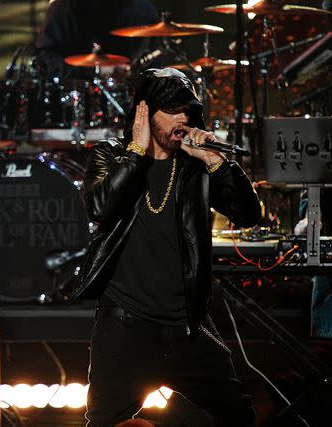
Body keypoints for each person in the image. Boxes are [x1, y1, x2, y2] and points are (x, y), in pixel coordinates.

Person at [65, 68, 261, 426]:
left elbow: (249, 215)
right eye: (172, 110)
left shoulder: (193, 167)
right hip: (126, 330)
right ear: (145, 111)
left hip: (187, 329)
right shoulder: (109, 157)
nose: (183, 118)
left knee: (238, 416)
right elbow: (99, 207)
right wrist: (137, 151)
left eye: (187, 110)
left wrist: (216, 162)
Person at [34, 0, 159, 79]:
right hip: (74, 100)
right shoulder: (64, 7)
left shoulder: (143, 10)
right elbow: (45, 61)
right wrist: (94, 71)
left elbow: (154, 69)